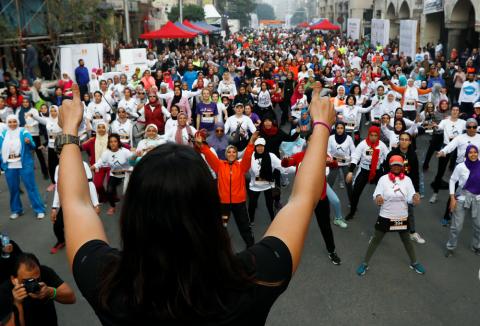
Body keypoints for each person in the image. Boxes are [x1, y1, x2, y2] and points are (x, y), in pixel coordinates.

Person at [56, 82, 334, 324]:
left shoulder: (107, 282)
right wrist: (321, 126)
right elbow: (302, 199)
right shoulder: (251, 279)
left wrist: (69, 130)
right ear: (209, 212)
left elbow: (75, 203)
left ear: (132, 215)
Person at [356, 155, 424, 276]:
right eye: (394, 165)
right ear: (390, 166)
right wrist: (378, 198)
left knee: (407, 241)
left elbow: (410, 198)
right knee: (375, 240)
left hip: (402, 217)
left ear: (402, 167)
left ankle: (414, 262)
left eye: (399, 165)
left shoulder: (407, 180)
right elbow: (376, 194)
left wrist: (415, 198)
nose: (396, 167)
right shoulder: (383, 179)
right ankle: (364, 263)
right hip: (386, 216)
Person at [0, 253, 76, 326]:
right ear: (14, 279)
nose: (33, 284)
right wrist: (17, 304)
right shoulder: (4, 291)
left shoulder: (44, 272)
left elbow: (71, 298)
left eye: (36, 279)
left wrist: (51, 292)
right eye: (27, 281)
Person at [0, 115, 45, 219]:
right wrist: (2, 165)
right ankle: (17, 210)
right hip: (10, 166)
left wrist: (29, 143)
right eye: (10, 122)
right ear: (7, 123)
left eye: (14, 121)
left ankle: (39, 209)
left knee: (31, 187)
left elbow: (33, 145)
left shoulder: (23, 132)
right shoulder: (3, 134)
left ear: (17, 122)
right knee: (13, 189)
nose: (12, 124)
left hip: (24, 164)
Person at [384, 132, 425, 244]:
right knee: (388, 209)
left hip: (408, 187)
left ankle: (412, 232)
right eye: (402, 139)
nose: (404, 141)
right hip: (393, 185)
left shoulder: (413, 155)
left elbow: (416, 173)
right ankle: (380, 233)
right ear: (399, 141)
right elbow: (385, 170)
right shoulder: (392, 154)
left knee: (409, 210)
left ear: (410, 142)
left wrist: (416, 191)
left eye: (406, 139)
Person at [50, 161, 99, 254]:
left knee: (85, 226)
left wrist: (96, 204)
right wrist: (54, 208)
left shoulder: (83, 165)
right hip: (67, 202)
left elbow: (90, 184)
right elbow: (58, 189)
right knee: (57, 225)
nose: (60, 156)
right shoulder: (58, 168)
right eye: (59, 153)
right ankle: (61, 241)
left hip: (82, 200)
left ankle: (88, 245)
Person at [345, 126, 389, 220]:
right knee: (355, 192)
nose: (373, 137)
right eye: (371, 135)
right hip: (364, 170)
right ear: (368, 135)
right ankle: (352, 212)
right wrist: (350, 172)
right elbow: (355, 157)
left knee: (385, 193)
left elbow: (388, 157)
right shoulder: (363, 144)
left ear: (378, 136)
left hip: (378, 171)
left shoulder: (381, 145)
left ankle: (386, 214)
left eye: (375, 135)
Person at [446, 145, 480, 257]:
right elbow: (452, 180)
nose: (473, 154)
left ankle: (476, 246)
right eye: (470, 152)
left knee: (478, 226)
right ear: (466, 154)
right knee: (457, 226)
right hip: (461, 198)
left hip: (477, 199)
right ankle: (450, 247)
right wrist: (452, 198)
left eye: (475, 152)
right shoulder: (461, 167)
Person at [248, 138, 291, 224]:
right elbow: (240, 164)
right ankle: (251, 220)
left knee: (270, 205)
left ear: (265, 147)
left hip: (268, 185)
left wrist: (297, 167)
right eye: (258, 146)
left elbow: (282, 166)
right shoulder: (250, 156)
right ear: (255, 147)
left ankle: (272, 219)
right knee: (252, 205)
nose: (260, 148)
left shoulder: (271, 156)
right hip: (255, 186)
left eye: (262, 146)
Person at [91, 134, 133, 215]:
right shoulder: (107, 153)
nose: (113, 143)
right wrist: (94, 166)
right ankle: (112, 206)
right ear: (108, 143)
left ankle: (129, 208)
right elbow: (101, 161)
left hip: (127, 174)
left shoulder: (125, 151)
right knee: (109, 191)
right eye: (111, 142)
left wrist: (131, 169)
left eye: (115, 141)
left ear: (118, 142)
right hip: (115, 175)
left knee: (127, 193)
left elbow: (133, 161)